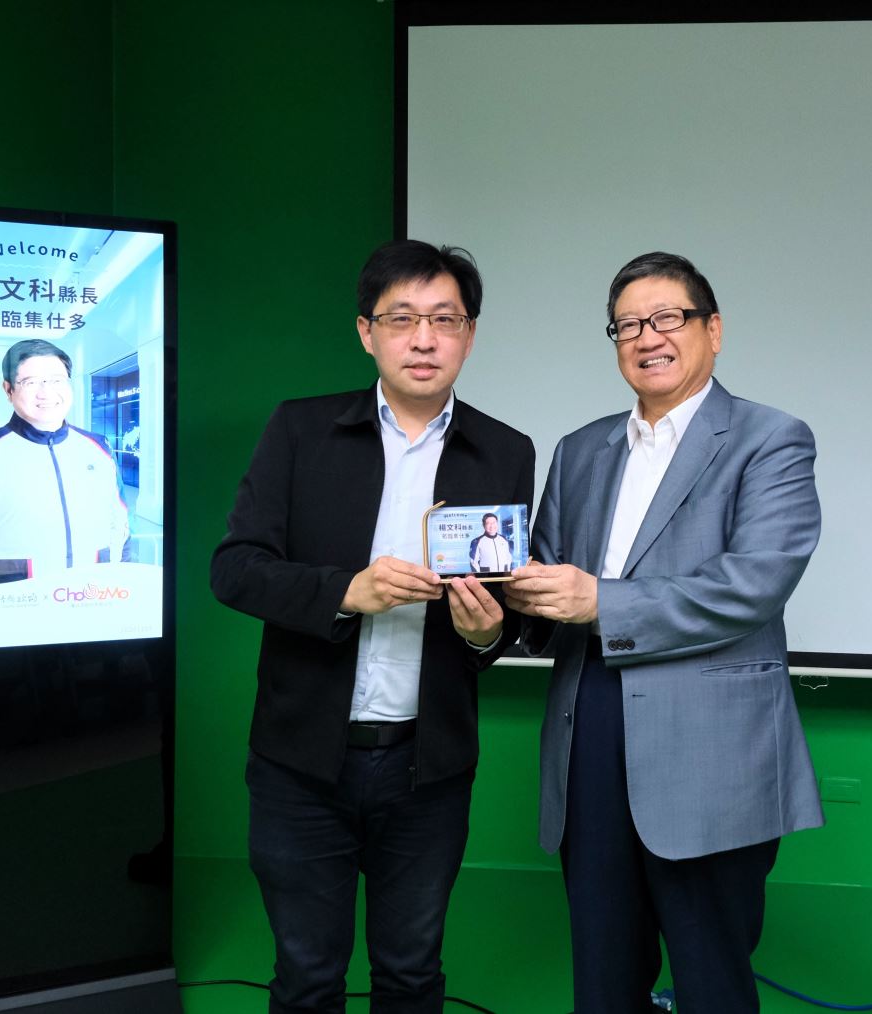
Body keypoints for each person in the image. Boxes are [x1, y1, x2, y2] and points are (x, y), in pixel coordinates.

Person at [211, 240, 534, 1014]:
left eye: (445, 320)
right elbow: (235, 569)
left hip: (429, 769)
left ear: (469, 335)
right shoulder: (301, 430)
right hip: (300, 763)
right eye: (402, 319)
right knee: (306, 978)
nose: (424, 339)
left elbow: (507, 616)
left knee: (412, 974)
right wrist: (346, 591)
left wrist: (485, 634)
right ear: (367, 332)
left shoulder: (506, 451)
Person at [505, 251, 822, 1013]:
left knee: (712, 976)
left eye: (668, 318)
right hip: (588, 728)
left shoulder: (769, 438)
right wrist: (505, 608)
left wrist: (600, 603)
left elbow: (754, 584)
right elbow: (549, 582)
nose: (648, 337)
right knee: (603, 970)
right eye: (627, 325)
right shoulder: (580, 450)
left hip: (711, 746)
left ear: (714, 330)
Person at [0, 338, 130, 584]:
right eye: (31, 382)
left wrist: (119, 582)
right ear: (8, 389)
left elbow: (119, 523)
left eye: (57, 380)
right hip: (16, 598)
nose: (46, 393)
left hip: (93, 595)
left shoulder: (99, 447)